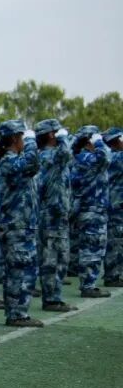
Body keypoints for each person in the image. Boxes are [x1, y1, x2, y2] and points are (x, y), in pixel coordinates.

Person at [0, 121, 43, 326]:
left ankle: (19, 312)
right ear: (15, 139)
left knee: (25, 270)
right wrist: (32, 140)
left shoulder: (14, 161)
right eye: (22, 137)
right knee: (18, 270)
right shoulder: (8, 162)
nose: (24, 141)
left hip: (22, 225)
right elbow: (32, 161)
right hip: (15, 226)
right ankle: (15, 314)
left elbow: (33, 165)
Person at [34, 120, 76, 311]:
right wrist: (64, 137)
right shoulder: (48, 155)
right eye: (56, 132)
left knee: (61, 258)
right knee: (52, 259)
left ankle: (55, 297)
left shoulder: (53, 155)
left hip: (58, 214)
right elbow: (66, 153)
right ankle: (51, 299)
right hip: (51, 214)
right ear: (51, 135)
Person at [70, 126, 111, 297]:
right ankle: (87, 285)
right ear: (89, 141)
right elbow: (106, 157)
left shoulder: (87, 157)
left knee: (95, 248)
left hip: (94, 210)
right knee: (90, 248)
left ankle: (89, 283)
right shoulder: (85, 158)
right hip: (90, 210)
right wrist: (98, 141)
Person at [104, 128, 123, 287]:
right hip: (116, 205)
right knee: (115, 241)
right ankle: (112, 276)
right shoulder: (116, 157)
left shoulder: (110, 156)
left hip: (114, 204)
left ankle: (114, 274)